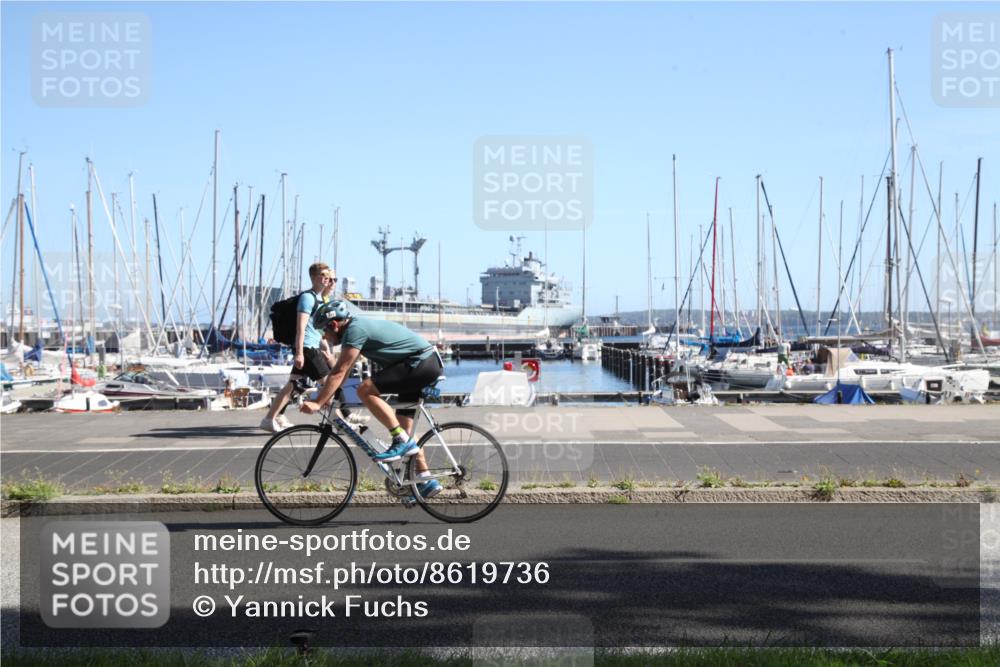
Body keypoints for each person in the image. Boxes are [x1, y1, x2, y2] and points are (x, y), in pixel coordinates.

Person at [300, 301, 443, 505]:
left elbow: (339, 371)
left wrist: (318, 402)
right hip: (422, 363)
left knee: (365, 390)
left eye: (324, 330)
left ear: (334, 325)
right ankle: (426, 479)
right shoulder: (355, 329)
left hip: (420, 363)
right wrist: (329, 393)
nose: (324, 336)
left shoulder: (355, 330)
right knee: (405, 427)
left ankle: (401, 440)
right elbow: (344, 370)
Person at [259, 263, 336, 433]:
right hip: (307, 349)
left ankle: (269, 419)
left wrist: (323, 344)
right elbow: (301, 327)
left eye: (328, 276)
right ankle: (339, 422)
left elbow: (314, 329)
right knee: (330, 384)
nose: (327, 279)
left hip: (310, 346)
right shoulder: (308, 298)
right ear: (314, 277)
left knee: (292, 385)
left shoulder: (317, 298)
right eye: (323, 275)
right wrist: (299, 353)